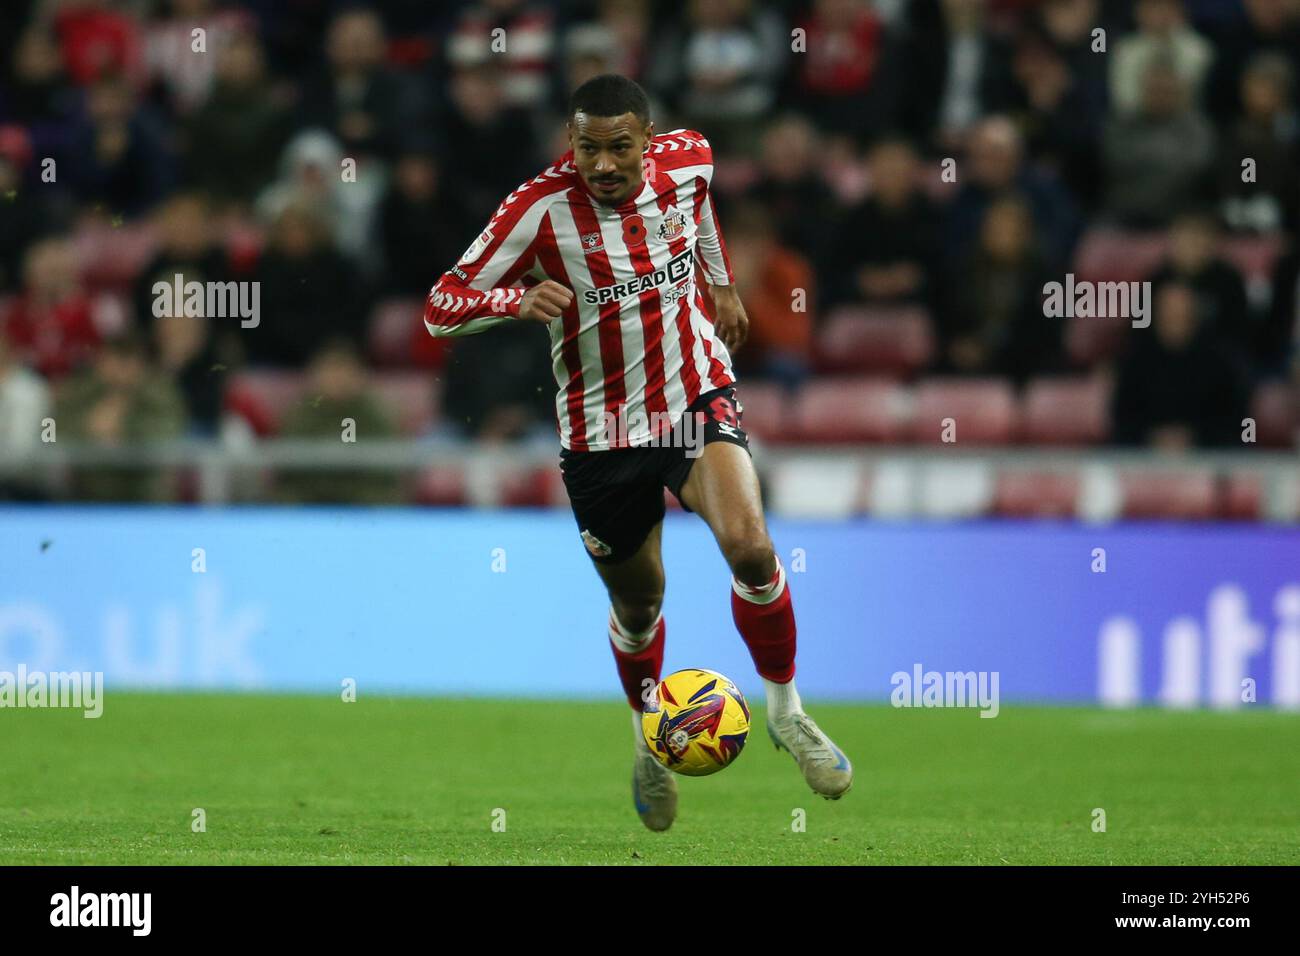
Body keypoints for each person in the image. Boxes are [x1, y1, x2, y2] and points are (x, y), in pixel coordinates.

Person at [423, 74, 852, 831]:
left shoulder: (690, 160)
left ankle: (786, 711)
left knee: (751, 547)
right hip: (599, 434)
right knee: (639, 601)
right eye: (587, 147)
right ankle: (649, 739)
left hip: (693, 396)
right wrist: (513, 303)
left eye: (620, 147)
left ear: (648, 142)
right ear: (571, 143)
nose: (604, 164)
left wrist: (718, 284)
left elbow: (700, 210)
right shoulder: (536, 210)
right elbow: (441, 305)